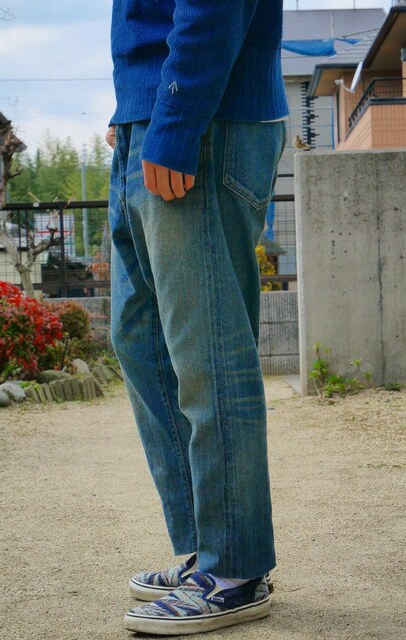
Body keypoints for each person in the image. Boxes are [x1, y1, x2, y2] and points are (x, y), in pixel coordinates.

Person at [105, 0, 288, 636]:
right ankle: (204, 550)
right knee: (141, 341)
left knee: (208, 353)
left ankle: (233, 567)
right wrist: (135, 108)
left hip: (203, 117)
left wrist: (177, 116)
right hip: (151, 115)